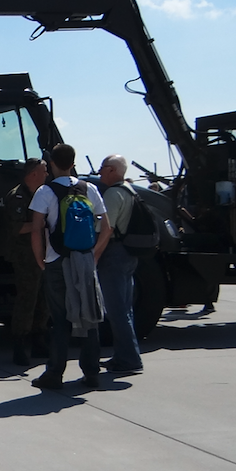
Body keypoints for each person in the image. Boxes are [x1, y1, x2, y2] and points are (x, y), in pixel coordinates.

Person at [28, 143, 111, 389]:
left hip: (57, 261)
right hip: (84, 261)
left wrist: (40, 260)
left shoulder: (45, 191)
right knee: (89, 314)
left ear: (52, 163)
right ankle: (92, 372)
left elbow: (35, 230)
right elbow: (107, 228)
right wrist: (93, 256)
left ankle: (54, 373)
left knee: (61, 319)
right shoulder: (90, 189)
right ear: (73, 163)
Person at [96, 155, 144, 373]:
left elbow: (107, 229)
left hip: (114, 254)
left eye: (103, 168)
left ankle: (130, 360)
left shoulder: (113, 194)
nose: (99, 172)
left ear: (113, 170)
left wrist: (95, 255)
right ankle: (124, 355)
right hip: (128, 254)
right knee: (125, 309)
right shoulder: (130, 191)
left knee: (116, 311)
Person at [4, 157, 49, 368]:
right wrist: (42, 224)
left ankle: (39, 340)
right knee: (27, 299)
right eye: (44, 171)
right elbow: (18, 228)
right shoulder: (17, 196)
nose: (47, 175)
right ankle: (19, 345)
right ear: (33, 175)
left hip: (43, 253)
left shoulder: (42, 194)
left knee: (43, 299)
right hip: (25, 255)